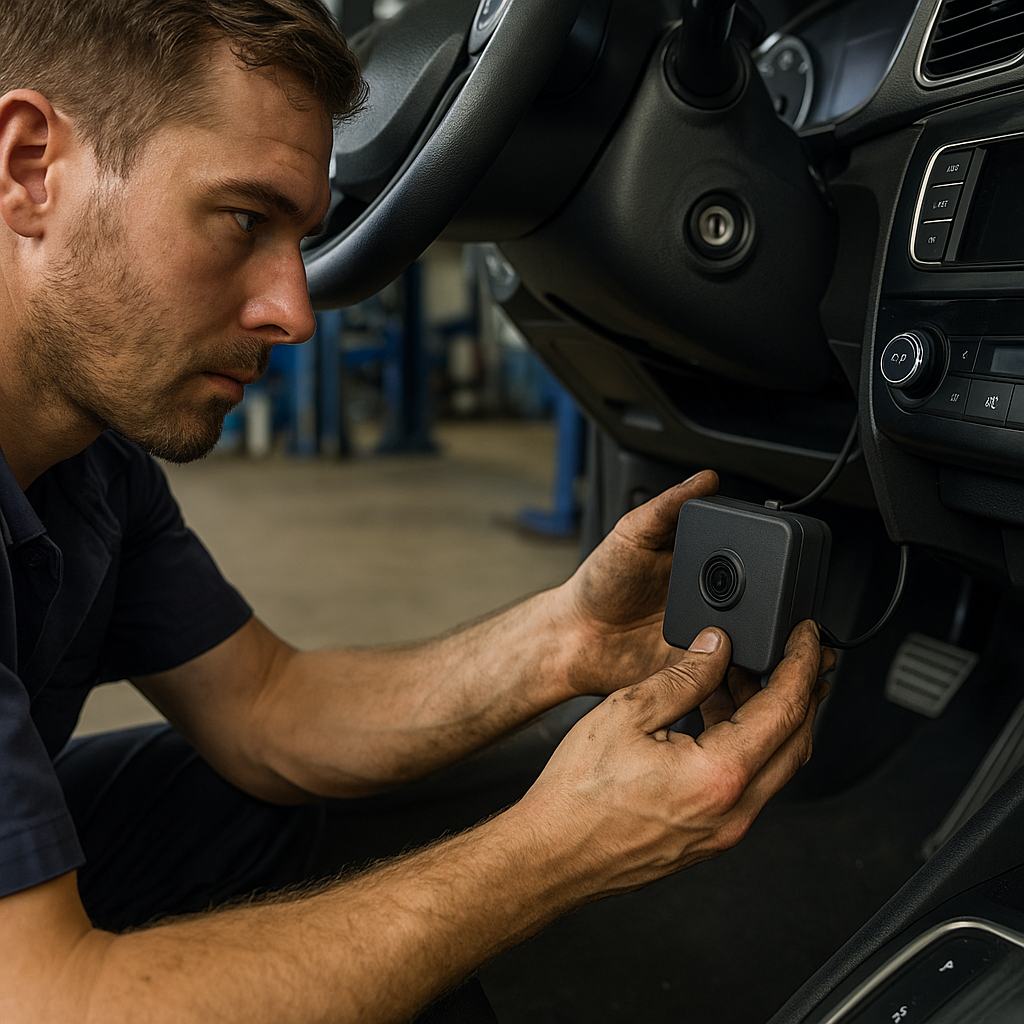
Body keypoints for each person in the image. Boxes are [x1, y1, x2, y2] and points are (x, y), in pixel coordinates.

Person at [0, 1, 833, 1021]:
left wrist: (563, 638)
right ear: (29, 166)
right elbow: (46, 1000)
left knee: (239, 797)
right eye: (243, 220)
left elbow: (267, 708)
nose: (294, 310)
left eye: (298, 236)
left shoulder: (90, 463)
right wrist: (558, 847)